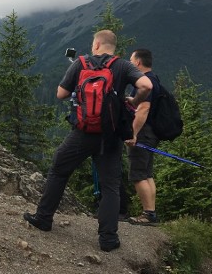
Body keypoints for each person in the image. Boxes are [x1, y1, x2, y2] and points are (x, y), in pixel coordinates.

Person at [23, 30, 152, 252]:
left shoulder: (80, 63)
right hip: (110, 137)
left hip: (82, 133)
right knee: (110, 185)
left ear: (97, 44)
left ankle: (44, 218)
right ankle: (108, 239)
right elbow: (146, 86)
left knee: (59, 170)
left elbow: (61, 94)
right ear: (113, 47)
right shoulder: (122, 66)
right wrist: (131, 101)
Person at [123, 48, 160, 226]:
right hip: (151, 132)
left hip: (142, 133)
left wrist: (133, 134)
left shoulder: (145, 83)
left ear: (138, 62)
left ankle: (148, 214)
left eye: (131, 60)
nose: (130, 63)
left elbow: (143, 110)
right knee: (147, 174)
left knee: (138, 174)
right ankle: (151, 213)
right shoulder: (155, 79)